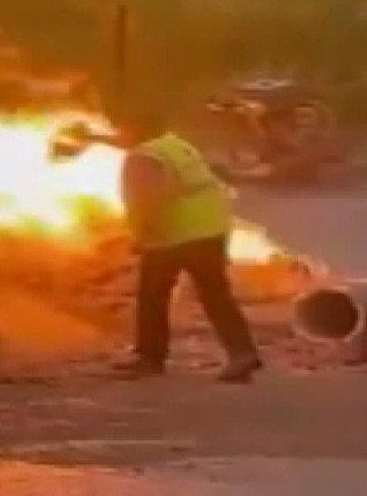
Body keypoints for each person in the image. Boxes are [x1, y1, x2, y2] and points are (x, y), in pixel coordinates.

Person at [112, 113, 262, 383]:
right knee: (216, 295)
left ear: (133, 131)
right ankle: (242, 353)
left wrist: (143, 234)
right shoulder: (173, 145)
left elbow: (149, 198)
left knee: (153, 297)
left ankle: (149, 358)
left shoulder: (144, 158)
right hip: (211, 227)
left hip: (176, 233)